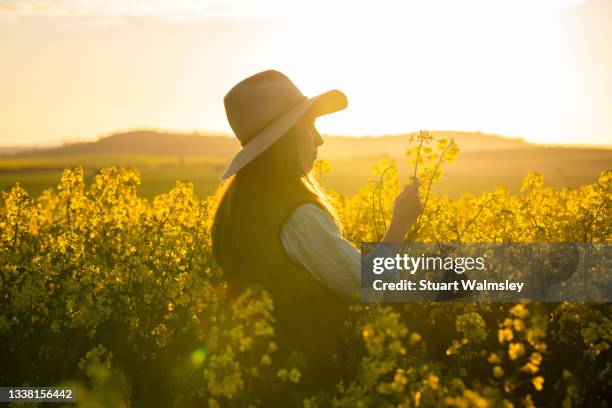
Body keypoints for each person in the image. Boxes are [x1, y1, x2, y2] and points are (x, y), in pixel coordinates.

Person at [211, 70, 422, 400]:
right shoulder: (298, 214)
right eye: (309, 126)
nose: (319, 139)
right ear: (285, 137)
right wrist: (400, 224)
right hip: (307, 383)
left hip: (254, 377)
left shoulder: (233, 207)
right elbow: (366, 285)